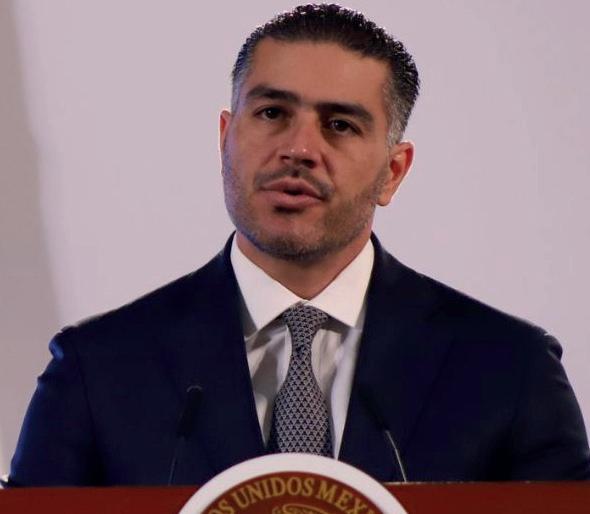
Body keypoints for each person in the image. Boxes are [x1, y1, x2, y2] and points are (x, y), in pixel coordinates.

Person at [7, 4, 590, 486]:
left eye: (339, 125)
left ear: (393, 171)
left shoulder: (509, 370)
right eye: (271, 113)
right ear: (225, 138)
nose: (299, 149)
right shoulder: (98, 370)